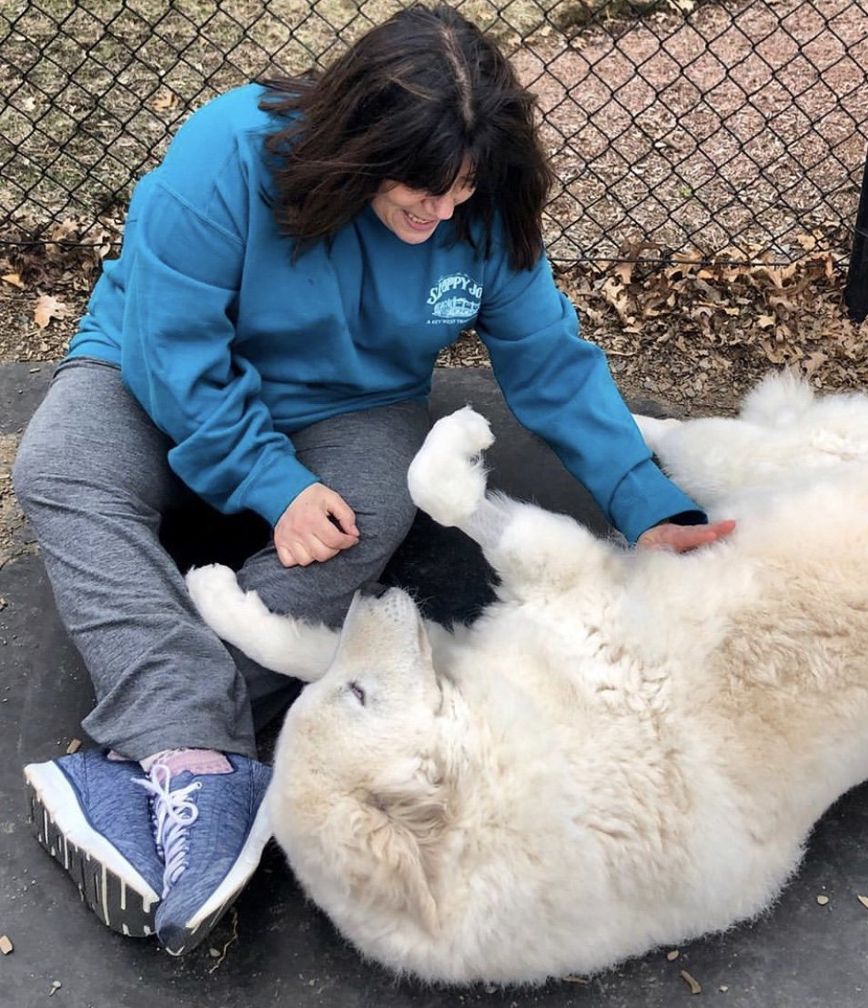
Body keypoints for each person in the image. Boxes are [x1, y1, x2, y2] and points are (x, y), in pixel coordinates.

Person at [13, 3, 735, 956]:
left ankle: (159, 754)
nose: (443, 214)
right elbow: (174, 341)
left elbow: (549, 360)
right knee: (58, 466)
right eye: (420, 193)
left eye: (465, 189)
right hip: (155, 369)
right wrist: (267, 482)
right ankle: (208, 756)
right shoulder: (229, 147)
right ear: (354, 147)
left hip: (349, 406)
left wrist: (648, 503)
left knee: (377, 511)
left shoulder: (478, 212)